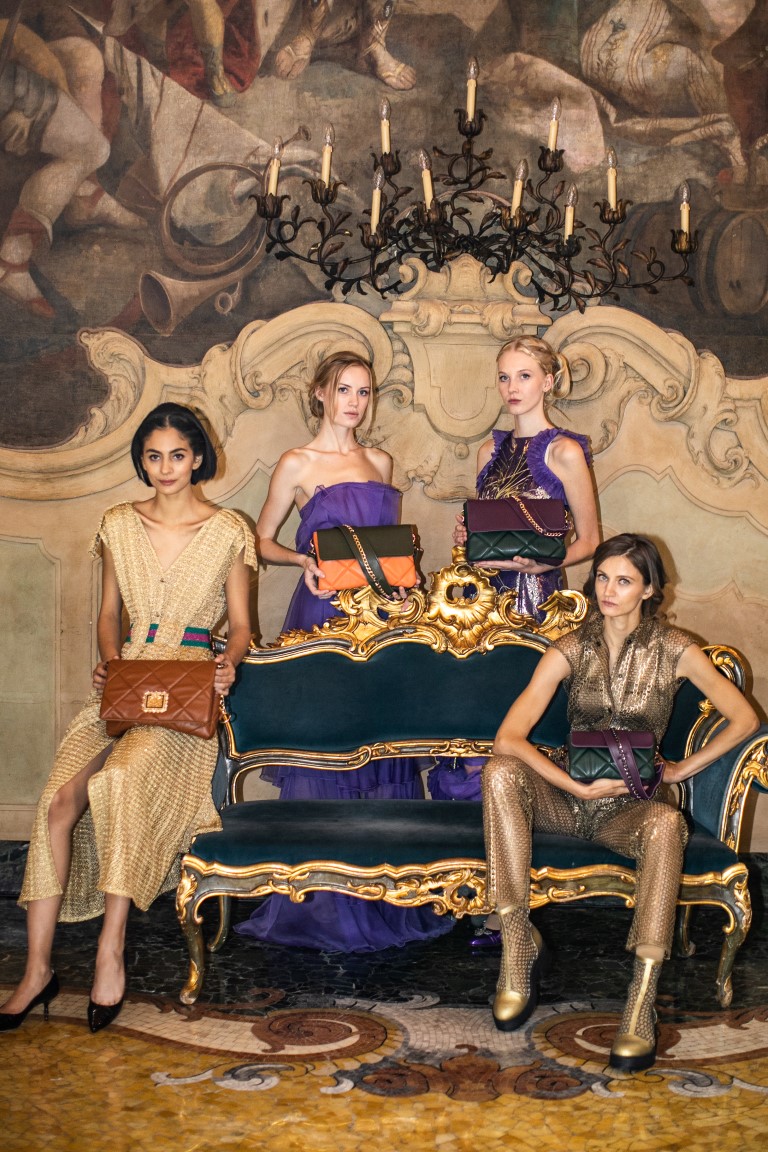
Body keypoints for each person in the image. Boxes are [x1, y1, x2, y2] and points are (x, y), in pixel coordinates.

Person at [0, 403, 256, 1033]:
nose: (165, 468)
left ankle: (110, 949)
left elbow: (242, 627)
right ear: (141, 461)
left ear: (197, 458)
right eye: (152, 456)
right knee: (58, 802)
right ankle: (37, 970)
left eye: (177, 455)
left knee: (118, 782)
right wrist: (111, 663)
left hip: (187, 693)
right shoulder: (118, 522)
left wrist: (227, 665)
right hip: (126, 683)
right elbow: (109, 614)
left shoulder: (230, 530)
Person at [482, 534, 759, 1072]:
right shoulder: (569, 647)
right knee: (499, 774)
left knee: (666, 825)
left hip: (631, 810)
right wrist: (574, 786)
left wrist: (681, 769)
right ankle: (516, 947)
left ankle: (641, 1001)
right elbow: (507, 739)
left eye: (625, 580)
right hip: (568, 800)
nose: (608, 590)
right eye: (603, 578)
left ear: (649, 589)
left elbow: (744, 718)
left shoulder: (677, 648)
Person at [235, 350, 452, 951]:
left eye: (364, 391)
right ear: (320, 394)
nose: (355, 402)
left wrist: (406, 584)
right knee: (328, 747)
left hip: (383, 621)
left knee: (382, 745)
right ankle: (322, 902)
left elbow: (387, 549)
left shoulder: (381, 462)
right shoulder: (297, 462)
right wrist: (301, 560)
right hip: (323, 618)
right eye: (344, 390)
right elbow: (260, 540)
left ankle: (384, 896)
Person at [427, 335, 600, 947]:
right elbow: (485, 531)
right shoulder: (489, 448)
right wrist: (466, 536)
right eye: (504, 377)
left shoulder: (565, 451)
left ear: (549, 381)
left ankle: (513, 907)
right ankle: (475, 889)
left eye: (524, 376)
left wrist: (542, 563)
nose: (512, 388)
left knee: (520, 745)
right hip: (483, 607)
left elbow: (589, 542)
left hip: (537, 605)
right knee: (474, 739)